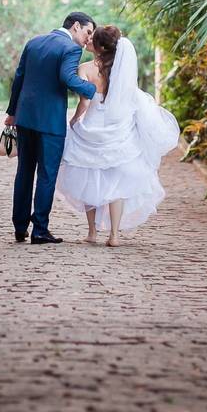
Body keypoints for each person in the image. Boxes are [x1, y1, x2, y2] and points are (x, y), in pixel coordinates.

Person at [55, 25, 180, 247]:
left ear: (101, 47)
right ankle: (114, 235)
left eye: (93, 39)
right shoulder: (122, 69)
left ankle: (92, 232)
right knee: (117, 183)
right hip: (117, 127)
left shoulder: (85, 68)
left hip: (92, 126)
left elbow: (84, 101)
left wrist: (74, 121)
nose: (89, 40)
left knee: (89, 179)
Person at [5, 12, 97, 244]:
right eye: (88, 32)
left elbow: (19, 78)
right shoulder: (70, 48)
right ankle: (40, 230)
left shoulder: (34, 42)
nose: (88, 39)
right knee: (46, 175)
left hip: (25, 118)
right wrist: (93, 91)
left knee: (24, 172)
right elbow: (66, 77)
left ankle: (19, 227)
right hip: (50, 122)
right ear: (76, 26)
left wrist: (12, 113)